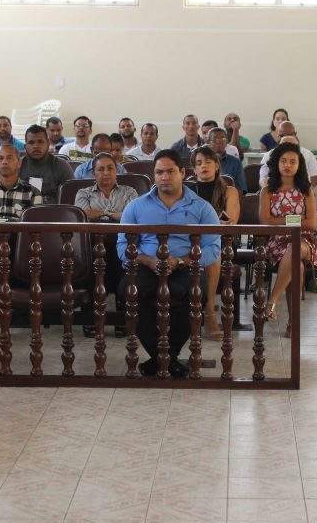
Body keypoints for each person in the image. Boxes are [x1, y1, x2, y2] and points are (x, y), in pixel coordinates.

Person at [117, 149, 221, 378]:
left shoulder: (202, 207)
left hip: (185, 266)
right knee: (128, 292)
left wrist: (182, 261)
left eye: (170, 171)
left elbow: (213, 248)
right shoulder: (136, 206)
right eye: (159, 172)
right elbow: (122, 245)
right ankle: (168, 359)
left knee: (196, 294)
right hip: (146, 265)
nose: (164, 177)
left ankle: (160, 359)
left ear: (182, 173)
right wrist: (148, 260)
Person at [0, 144, 43, 343]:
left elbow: (34, 231)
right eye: (0, 158)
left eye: (9, 158)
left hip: (21, 246)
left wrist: (3, 229)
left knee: (4, 234)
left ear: (18, 163)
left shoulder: (32, 192)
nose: (4, 162)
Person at [260, 142, 317, 339]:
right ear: (276, 163)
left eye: (292, 161)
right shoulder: (267, 191)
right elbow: (265, 221)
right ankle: (292, 322)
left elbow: (311, 223)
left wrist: (282, 221)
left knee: (296, 247)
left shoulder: (306, 190)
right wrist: (297, 220)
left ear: (299, 165)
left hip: (305, 240)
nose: (288, 165)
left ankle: (272, 301)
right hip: (276, 242)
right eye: (283, 161)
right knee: (296, 267)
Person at [75, 152, 139, 336]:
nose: (106, 173)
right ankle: (91, 318)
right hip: (91, 242)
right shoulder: (84, 192)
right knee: (92, 260)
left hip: (123, 241)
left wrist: (100, 213)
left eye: (110, 168)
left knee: (121, 259)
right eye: (100, 169)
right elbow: (82, 214)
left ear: (116, 171)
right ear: (93, 173)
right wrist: (114, 215)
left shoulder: (130, 191)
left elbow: (133, 216)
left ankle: (122, 318)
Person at [186, 146, 240, 339]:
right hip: (190, 240)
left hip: (222, 241)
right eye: (199, 163)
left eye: (208, 162)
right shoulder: (187, 190)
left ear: (217, 165)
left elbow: (231, 221)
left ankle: (208, 311)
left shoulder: (229, 190)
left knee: (213, 254)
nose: (204, 166)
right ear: (194, 169)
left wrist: (209, 223)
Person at [258, 121, 317, 191]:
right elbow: (263, 179)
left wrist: (304, 191)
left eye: (293, 162)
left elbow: (316, 177)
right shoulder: (269, 155)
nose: (288, 165)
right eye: (283, 161)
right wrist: (276, 192)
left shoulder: (307, 154)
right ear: (278, 136)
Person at [19, 124, 73, 204]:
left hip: (55, 211)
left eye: (40, 142)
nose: (36, 146)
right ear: (25, 146)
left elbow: (69, 200)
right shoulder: (16, 166)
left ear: (48, 144)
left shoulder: (62, 167)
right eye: (31, 142)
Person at [207, 128, 247, 192]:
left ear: (226, 142)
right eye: (214, 139)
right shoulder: (203, 162)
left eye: (222, 138)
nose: (218, 141)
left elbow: (241, 189)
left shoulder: (236, 162)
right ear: (208, 142)